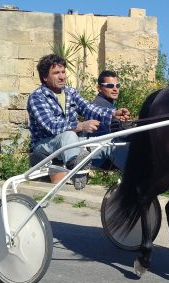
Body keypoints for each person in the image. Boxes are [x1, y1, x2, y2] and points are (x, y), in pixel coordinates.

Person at [27, 55, 130, 189]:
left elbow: (89, 109)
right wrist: (81, 126)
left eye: (63, 72)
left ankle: (135, 177)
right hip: (45, 144)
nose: (62, 76)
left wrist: (113, 114)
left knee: (112, 143)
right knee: (68, 135)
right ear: (45, 77)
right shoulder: (37, 97)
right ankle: (77, 169)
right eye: (56, 73)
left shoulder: (70, 92)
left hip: (72, 143)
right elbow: (51, 126)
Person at [88, 69, 130, 171]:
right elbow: (118, 132)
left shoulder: (108, 105)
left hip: (107, 148)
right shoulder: (100, 106)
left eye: (117, 86)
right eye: (110, 86)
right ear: (99, 88)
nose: (115, 89)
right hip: (100, 153)